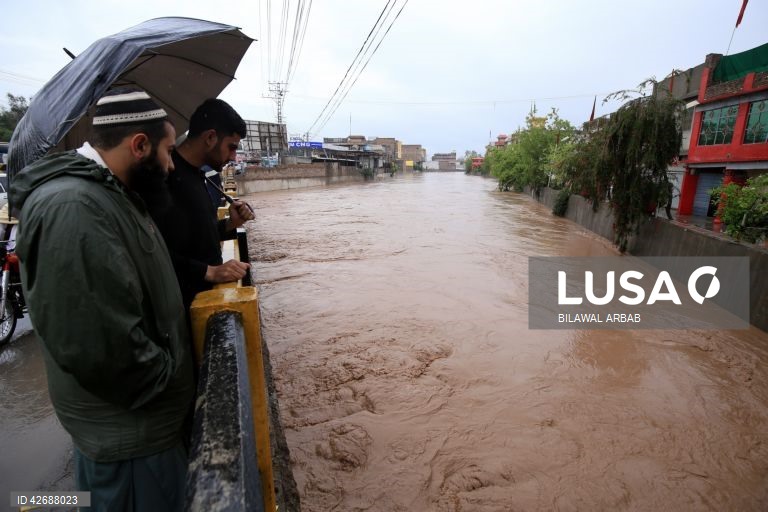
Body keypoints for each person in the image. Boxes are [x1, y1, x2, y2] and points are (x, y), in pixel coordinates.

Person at [9, 88, 194, 512]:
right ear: (140, 145)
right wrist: (166, 380)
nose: (170, 166)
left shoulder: (110, 196)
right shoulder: (74, 207)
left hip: (146, 436)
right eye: (167, 152)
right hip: (133, 445)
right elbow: (102, 349)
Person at [147, 98, 254, 312]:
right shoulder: (165, 179)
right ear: (210, 138)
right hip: (183, 310)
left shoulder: (198, 175)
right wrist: (209, 272)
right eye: (231, 147)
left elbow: (194, 237)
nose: (233, 157)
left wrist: (230, 224)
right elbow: (152, 253)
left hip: (204, 304)